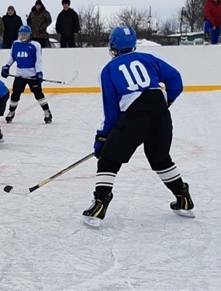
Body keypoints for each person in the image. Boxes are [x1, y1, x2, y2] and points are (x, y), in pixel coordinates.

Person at [82, 25, 194, 228]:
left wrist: (103, 138)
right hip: (161, 114)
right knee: (160, 159)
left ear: (113, 45)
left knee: (108, 161)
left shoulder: (108, 69)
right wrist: (165, 103)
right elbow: (176, 81)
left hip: (134, 116)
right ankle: (183, 197)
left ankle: (99, 205)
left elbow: (111, 110)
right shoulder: (149, 57)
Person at [1, 25, 53, 124]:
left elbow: (38, 60)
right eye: (21, 34)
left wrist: (39, 72)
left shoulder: (36, 45)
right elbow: (12, 57)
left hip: (32, 75)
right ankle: (11, 112)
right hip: (20, 75)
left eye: (25, 34)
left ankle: (47, 111)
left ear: (30, 35)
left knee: (38, 94)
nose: (23, 36)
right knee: (15, 94)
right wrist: (7, 66)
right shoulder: (15, 44)